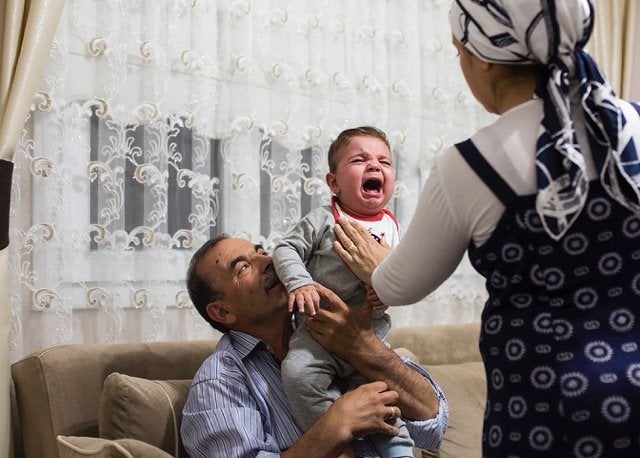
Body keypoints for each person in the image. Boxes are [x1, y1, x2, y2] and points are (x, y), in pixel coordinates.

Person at [332, 1, 640, 457]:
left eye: (458, 53)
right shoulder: (630, 121)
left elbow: (400, 286)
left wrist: (378, 267)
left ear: (480, 56)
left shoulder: (471, 166)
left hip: (545, 405)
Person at [180, 234, 448, 458]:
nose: (269, 261)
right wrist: (336, 425)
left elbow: (433, 423)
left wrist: (361, 346)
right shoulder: (220, 381)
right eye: (243, 267)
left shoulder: (332, 327)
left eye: (261, 251)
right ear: (222, 312)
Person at [271, 126, 410, 457]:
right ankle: (339, 438)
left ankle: (398, 448)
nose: (374, 167)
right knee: (297, 374)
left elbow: (401, 281)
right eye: (360, 160)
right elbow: (285, 250)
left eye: (384, 162)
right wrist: (300, 282)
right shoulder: (323, 219)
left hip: (371, 336)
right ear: (334, 183)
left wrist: (386, 291)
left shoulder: (394, 228)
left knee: (385, 391)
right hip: (317, 333)